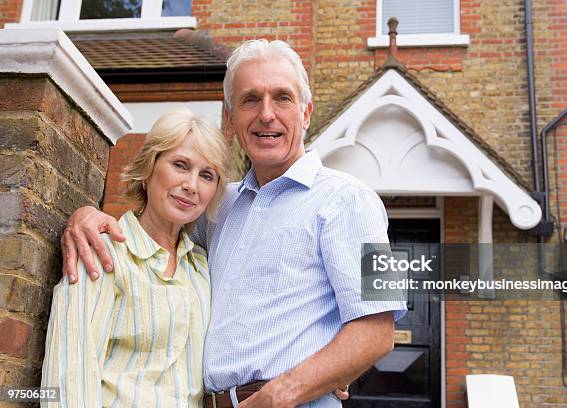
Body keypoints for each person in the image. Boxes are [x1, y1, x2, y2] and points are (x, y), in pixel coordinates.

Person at [61, 39, 407, 408]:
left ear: (306, 113)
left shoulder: (354, 199)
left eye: (282, 98)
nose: (266, 114)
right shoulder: (217, 205)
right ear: (230, 118)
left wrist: (281, 393)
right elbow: (155, 233)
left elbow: (378, 333)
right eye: (250, 99)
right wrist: (87, 217)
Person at [42, 108, 231, 407]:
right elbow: (67, 375)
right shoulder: (103, 251)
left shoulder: (202, 268)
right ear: (148, 170)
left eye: (206, 175)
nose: (192, 185)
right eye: (180, 165)